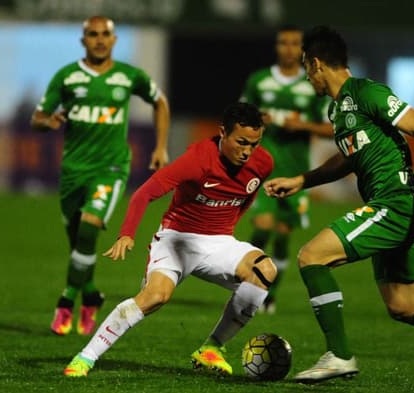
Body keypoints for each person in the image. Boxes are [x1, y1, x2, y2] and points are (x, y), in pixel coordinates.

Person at [264, 26, 414, 392]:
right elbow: (346, 161)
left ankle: (339, 355)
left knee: (312, 257)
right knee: (403, 306)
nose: (306, 77)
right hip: (398, 206)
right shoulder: (337, 107)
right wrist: (301, 180)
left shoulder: (365, 91)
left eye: (305, 68)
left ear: (314, 63)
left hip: (395, 202)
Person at [63, 102, 277, 377]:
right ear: (223, 132)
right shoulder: (198, 159)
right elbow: (145, 193)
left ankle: (212, 348)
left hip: (219, 241)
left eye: (254, 144)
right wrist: (127, 234)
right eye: (242, 142)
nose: (247, 152)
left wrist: (227, 230)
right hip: (177, 240)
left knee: (264, 270)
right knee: (155, 297)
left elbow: (245, 198)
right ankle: (85, 357)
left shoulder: (263, 163)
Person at [31, 16, 171, 337]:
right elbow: (37, 117)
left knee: (89, 227)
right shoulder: (67, 77)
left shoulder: (128, 75)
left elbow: (159, 101)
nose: (99, 40)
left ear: (114, 39)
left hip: (110, 168)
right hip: (72, 172)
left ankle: (66, 301)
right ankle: (91, 295)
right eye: (92, 35)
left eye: (104, 35)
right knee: (80, 245)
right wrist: (48, 122)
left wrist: (160, 147)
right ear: (83, 41)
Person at [239, 25, 333, 314]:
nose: (289, 48)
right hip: (261, 168)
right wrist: (256, 118)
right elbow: (239, 115)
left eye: (295, 43)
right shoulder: (260, 80)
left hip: (295, 173)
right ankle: (247, 281)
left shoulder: (312, 84)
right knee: (263, 225)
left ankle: (269, 294)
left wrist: (302, 125)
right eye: (283, 43)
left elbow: (331, 128)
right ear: (277, 46)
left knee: (281, 234)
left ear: (302, 48)